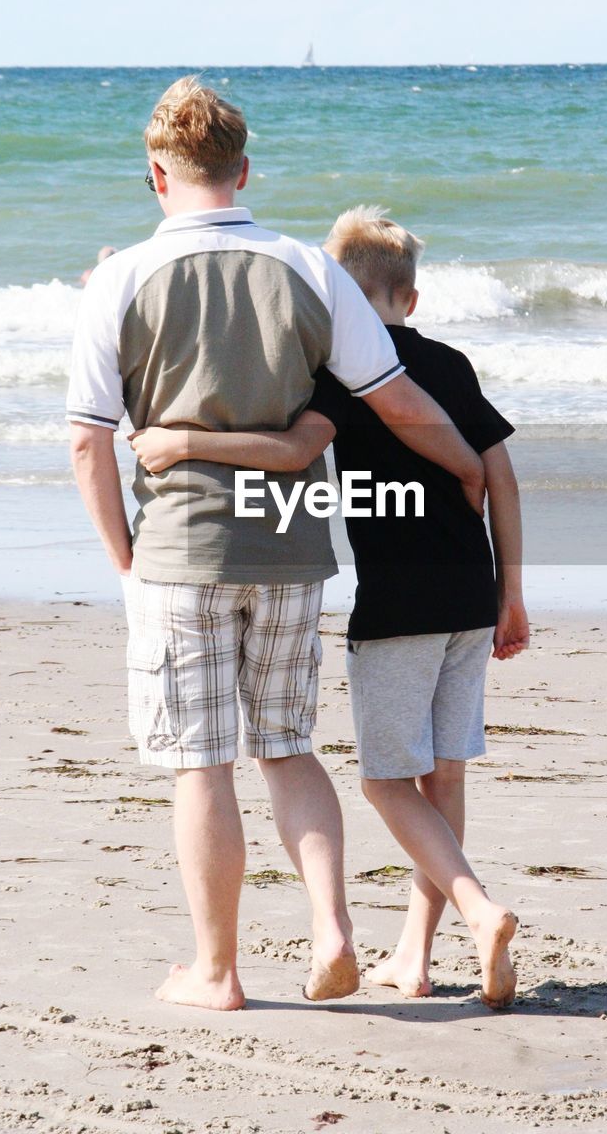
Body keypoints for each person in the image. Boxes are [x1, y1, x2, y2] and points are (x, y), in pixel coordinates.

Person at [67, 81, 488, 1013]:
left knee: (201, 763)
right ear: (244, 170)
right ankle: (332, 930)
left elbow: (88, 439)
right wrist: (467, 468)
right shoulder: (308, 264)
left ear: (155, 175)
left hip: (183, 548)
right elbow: (397, 400)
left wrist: (122, 560)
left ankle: (217, 971)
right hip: (294, 547)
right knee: (288, 748)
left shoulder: (122, 280)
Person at [129, 206, 529, 1009]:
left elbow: (290, 452)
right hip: (470, 596)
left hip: (397, 607)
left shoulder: (344, 375)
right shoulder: (450, 363)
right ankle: (413, 955)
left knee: (386, 783)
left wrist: (181, 443)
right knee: (440, 774)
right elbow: (499, 475)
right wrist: (511, 590)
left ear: (338, 302)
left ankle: (478, 909)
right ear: (408, 298)